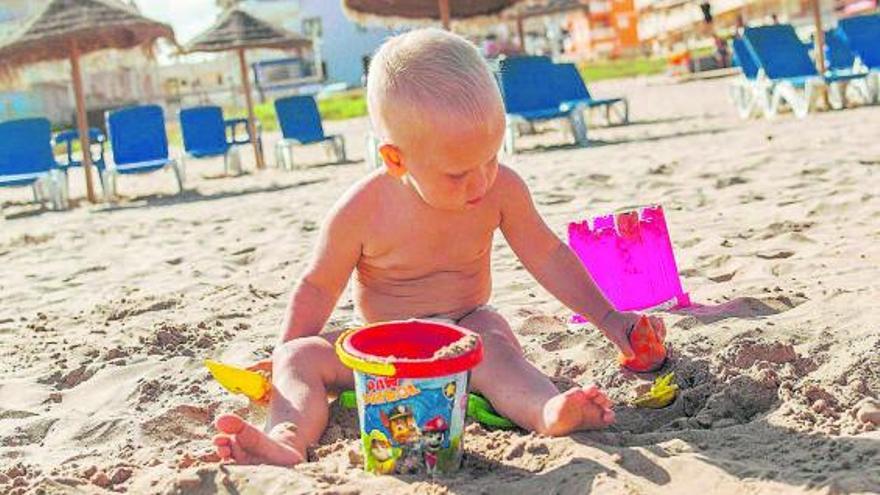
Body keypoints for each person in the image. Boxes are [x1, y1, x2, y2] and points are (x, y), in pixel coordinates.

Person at [211, 28, 666, 466]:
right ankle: (287, 440)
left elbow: (547, 255)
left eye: (491, 156)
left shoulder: (501, 189)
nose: (481, 181)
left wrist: (611, 320)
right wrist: (286, 347)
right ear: (395, 159)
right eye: (457, 173)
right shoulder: (361, 210)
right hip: (381, 349)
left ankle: (547, 411)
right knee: (297, 357)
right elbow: (316, 286)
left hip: (465, 333)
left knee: (496, 342)